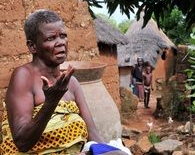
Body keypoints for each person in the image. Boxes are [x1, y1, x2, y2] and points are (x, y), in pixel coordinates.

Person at [0, 9, 129, 155]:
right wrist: (50, 102)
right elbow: (22, 142)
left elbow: (93, 134)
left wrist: (106, 151)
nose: (60, 43)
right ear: (32, 46)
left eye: (63, 36)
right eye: (51, 38)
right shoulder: (24, 76)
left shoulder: (72, 83)